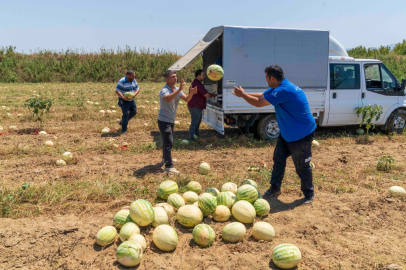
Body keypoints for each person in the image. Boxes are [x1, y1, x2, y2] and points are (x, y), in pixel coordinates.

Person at [232, 65, 316, 204]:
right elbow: (262, 96)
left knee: (302, 165)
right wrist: (244, 93)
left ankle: (309, 194)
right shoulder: (279, 87)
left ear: (272, 78)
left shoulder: (284, 90)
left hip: (300, 133)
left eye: (266, 78)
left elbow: (259, 103)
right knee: (278, 159)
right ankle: (275, 188)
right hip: (288, 132)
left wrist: (243, 96)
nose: (265, 80)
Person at [158, 70, 197, 174]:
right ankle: (168, 166)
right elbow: (168, 99)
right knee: (168, 142)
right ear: (166, 79)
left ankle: (165, 158)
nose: (175, 78)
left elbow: (187, 99)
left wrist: (191, 93)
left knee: (167, 141)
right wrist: (179, 89)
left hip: (170, 120)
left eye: (175, 76)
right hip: (164, 120)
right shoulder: (164, 90)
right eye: (172, 77)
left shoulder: (176, 89)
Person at [188, 70, 216, 141]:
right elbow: (206, 94)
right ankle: (191, 138)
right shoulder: (198, 84)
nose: (204, 77)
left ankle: (195, 136)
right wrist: (212, 95)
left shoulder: (197, 83)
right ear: (198, 76)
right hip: (195, 106)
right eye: (203, 75)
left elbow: (204, 93)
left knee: (197, 122)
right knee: (195, 122)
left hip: (195, 106)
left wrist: (211, 94)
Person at [115, 70, 139, 135]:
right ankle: (124, 130)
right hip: (123, 100)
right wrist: (123, 97)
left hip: (131, 100)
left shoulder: (134, 80)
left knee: (134, 112)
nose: (133, 77)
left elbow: (137, 89)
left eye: (134, 76)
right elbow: (117, 90)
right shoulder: (122, 81)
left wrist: (133, 95)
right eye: (132, 76)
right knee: (126, 114)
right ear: (128, 75)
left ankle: (122, 122)